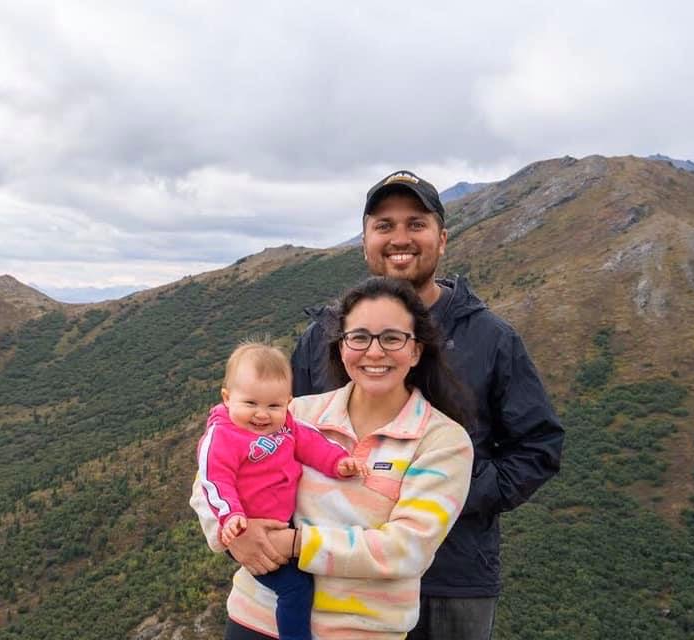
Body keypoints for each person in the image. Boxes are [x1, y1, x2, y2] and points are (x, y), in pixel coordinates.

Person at [290, 171, 565, 639]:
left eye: (415, 224)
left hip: (451, 578)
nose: (400, 238)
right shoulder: (324, 338)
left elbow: (537, 447)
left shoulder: (490, 338)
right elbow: (281, 436)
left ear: (441, 238)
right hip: (336, 571)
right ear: (365, 241)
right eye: (384, 225)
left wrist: (450, 496)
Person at [192, 277, 475, 639]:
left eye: (392, 338)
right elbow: (209, 479)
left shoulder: (442, 441)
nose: (374, 352)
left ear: (416, 350)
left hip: (360, 630)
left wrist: (297, 544)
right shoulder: (296, 413)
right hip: (255, 618)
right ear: (342, 347)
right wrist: (235, 536)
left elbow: (407, 548)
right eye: (359, 337)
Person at [196, 342, 366, 640]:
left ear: (288, 402)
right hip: (249, 528)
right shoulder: (222, 437)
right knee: (295, 589)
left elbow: (312, 444)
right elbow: (214, 481)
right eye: (250, 404)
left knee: (313, 576)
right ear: (227, 398)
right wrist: (232, 518)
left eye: (273, 406)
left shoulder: (287, 425)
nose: (262, 415)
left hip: (285, 524)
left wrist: (339, 462)